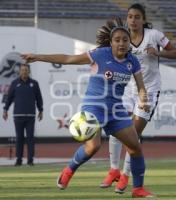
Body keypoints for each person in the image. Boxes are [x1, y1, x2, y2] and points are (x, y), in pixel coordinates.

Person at [21, 17, 154, 198]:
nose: (121, 43)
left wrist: (144, 101)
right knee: (93, 147)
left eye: (125, 39)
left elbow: (141, 87)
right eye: (117, 40)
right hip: (94, 107)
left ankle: (138, 189)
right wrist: (38, 57)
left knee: (135, 147)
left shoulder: (133, 61)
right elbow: (68, 58)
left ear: (129, 41)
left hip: (116, 110)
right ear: (111, 42)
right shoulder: (100, 54)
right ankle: (68, 171)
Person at [100, 3, 176, 193]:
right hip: (127, 89)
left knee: (132, 135)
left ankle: (126, 176)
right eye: (130, 17)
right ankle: (113, 170)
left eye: (137, 17)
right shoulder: (123, 37)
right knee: (117, 128)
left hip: (149, 90)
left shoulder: (154, 36)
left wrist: (158, 52)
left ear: (143, 20)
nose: (133, 20)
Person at [2, 63, 43, 166]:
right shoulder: (15, 83)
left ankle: (30, 160)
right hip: (18, 116)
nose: (24, 72)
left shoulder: (34, 83)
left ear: (29, 71)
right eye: (22, 70)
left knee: (30, 138)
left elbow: (39, 98)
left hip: (30, 116)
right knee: (19, 138)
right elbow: (9, 97)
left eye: (26, 70)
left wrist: (40, 110)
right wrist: (5, 109)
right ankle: (18, 160)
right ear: (19, 71)